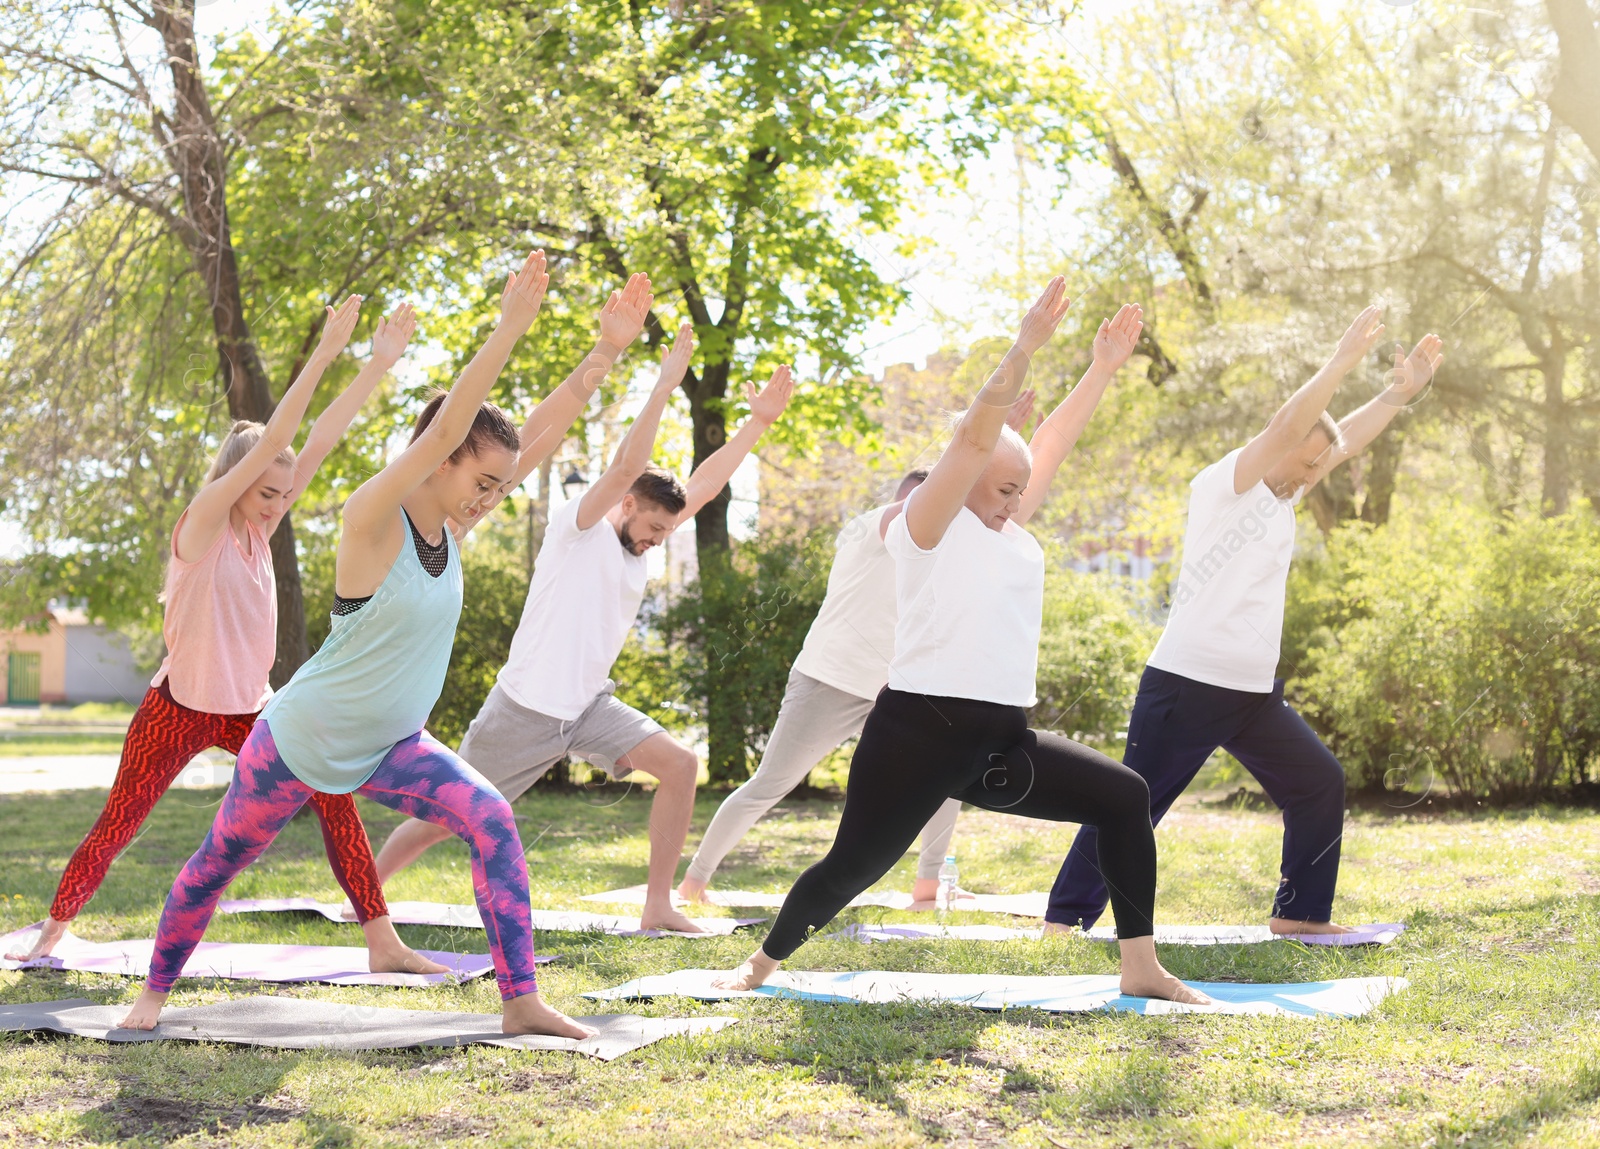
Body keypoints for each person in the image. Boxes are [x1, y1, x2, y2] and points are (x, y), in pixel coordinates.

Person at [120, 250, 602, 1036]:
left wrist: (599, 360)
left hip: (390, 744)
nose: (490, 499)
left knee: (491, 818)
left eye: (498, 489)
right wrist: (509, 328)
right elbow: (453, 422)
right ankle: (151, 995)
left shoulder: (450, 522)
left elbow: (532, 437)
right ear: (439, 461)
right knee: (217, 862)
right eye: (481, 483)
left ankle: (521, 1002)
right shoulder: (371, 516)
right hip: (297, 737)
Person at [713, 288, 1207, 1005]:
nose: (1015, 500)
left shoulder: (1007, 529)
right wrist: (1024, 346)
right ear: (966, 477)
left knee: (1125, 797)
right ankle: (758, 964)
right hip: (917, 734)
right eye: (1005, 487)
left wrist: (1100, 368)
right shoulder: (927, 525)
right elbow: (975, 440)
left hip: (1001, 741)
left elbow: (1050, 444)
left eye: (1020, 491)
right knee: (852, 867)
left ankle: (1140, 966)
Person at [8, 296, 434, 973]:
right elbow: (275, 440)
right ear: (238, 481)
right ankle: (52, 933)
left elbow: (317, 437)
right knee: (118, 822)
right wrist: (323, 352)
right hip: (175, 708)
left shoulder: (258, 532)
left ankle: (383, 941)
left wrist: (378, 366)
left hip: (253, 711)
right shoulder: (202, 524)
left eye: (283, 493)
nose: (277, 503)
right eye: (267, 491)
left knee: (334, 797)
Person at [372, 324, 797, 935]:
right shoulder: (581, 526)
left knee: (680, 766)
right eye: (652, 526)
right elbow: (626, 465)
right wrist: (665, 384)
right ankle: (366, 895)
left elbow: (703, 486)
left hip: (587, 707)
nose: (656, 541)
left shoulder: (643, 544)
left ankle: (658, 906)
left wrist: (756, 425)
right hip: (522, 709)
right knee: (445, 816)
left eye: (664, 535)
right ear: (627, 503)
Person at [1044, 309, 1443, 937]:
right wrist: (1340, 361)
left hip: (1252, 693)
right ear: (1275, 447)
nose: (1314, 475)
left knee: (1319, 783)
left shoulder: (1286, 496)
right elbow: (1291, 424)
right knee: (1133, 803)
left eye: (1318, 466)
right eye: (1305, 462)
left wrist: (1398, 393)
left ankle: (1301, 916)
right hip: (1187, 685)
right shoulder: (1227, 485)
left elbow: (1346, 441)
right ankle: (1063, 922)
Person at [677, 390, 1037, 909]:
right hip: (831, 676)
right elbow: (943, 485)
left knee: (949, 774)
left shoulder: (954, 539)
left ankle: (929, 885)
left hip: (901, 686)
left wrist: (992, 451)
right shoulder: (877, 525)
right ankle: (694, 882)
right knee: (771, 782)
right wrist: (976, 445)